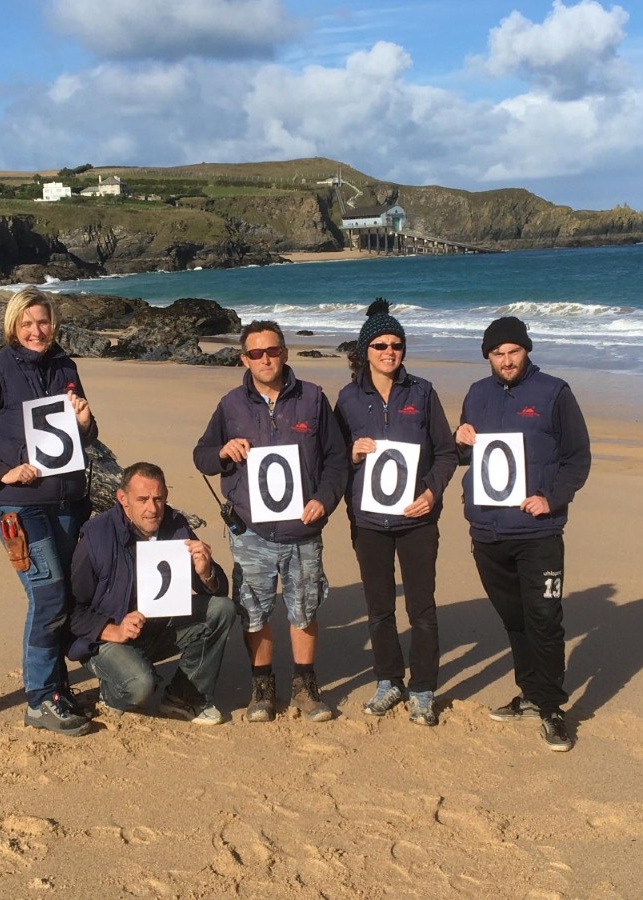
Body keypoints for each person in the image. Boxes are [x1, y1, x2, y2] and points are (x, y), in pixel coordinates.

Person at [193, 321, 347, 723]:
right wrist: (223, 451)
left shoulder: (313, 399)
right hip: (251, 531)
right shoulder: (231, 405)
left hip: (302, 529)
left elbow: (336, 459)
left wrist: (324, 500)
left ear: (285, 352)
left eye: (273, 351)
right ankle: (262, 685)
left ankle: (304, 685)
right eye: (256, 353)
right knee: (254, 610)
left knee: (304, 608)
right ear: (244, 358)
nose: (266, 359)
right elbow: (202, 456)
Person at [0, 285, 98, 737]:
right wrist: (3, 473)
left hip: (68, 502)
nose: (37, 331)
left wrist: (85, 422)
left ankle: (57, 688)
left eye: (43, 322)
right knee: (49, 597)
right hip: (19, 508)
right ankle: (40, 699)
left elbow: (84, 437)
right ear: (13, 326)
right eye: (27, 324)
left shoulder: (65, 367)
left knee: (64, 597)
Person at [454, 316, 591, 751]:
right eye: (498, 353)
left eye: (514, 351)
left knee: (545, 620)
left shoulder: (554, 392)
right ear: (488, 356)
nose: (507, 360)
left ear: (526, 351)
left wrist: (552, 498)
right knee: (514, 621)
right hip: (488, 531)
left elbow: (577, 457)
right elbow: (462, 454)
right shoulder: (477, 394)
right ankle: (530, 693)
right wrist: (459, 438)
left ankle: (551, 707)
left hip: (538, 532)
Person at [335, 299, 459, 727]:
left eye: (397, 344)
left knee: (421, 609)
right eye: (381, 344)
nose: (390, 351)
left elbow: (446, 453)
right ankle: (389, 680)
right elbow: (333, 457)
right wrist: (351, 452)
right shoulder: (348, 398)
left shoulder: (422, 392)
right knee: (379, 607)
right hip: (368, 522)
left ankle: (423, 688)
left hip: (417, 521)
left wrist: (432, 492)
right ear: (365, 350)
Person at [67, 462, 235, 724]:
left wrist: (205, 572)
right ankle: (111, 693)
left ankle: (183, 696)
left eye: (158, 499)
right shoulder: (96, 536)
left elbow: (217, 592)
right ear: (123, 499)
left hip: (156, 629)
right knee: (140, 686)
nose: (152, 509)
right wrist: (114, 630)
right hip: (106, 639)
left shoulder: (176, 525)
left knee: (221, 609)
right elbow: (71, 610)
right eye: (142, 499)